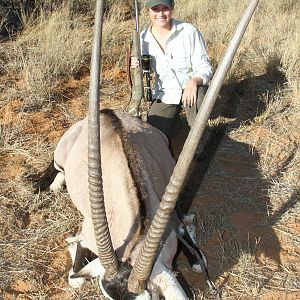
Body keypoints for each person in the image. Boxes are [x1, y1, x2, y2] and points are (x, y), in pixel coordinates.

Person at [131, 0, 213, 141]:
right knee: (155, 137)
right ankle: (178, 125)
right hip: (166, 92)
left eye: (165, 8)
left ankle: (199, 139)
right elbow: (148, 70)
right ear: (148, 11)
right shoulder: (142, 38)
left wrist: (193, 82)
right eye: (156, 9)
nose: (160, 13)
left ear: (172, 9)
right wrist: (136, 63)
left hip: (192, 88)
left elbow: (205, 67)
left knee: (198, 132)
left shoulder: (188, 31)